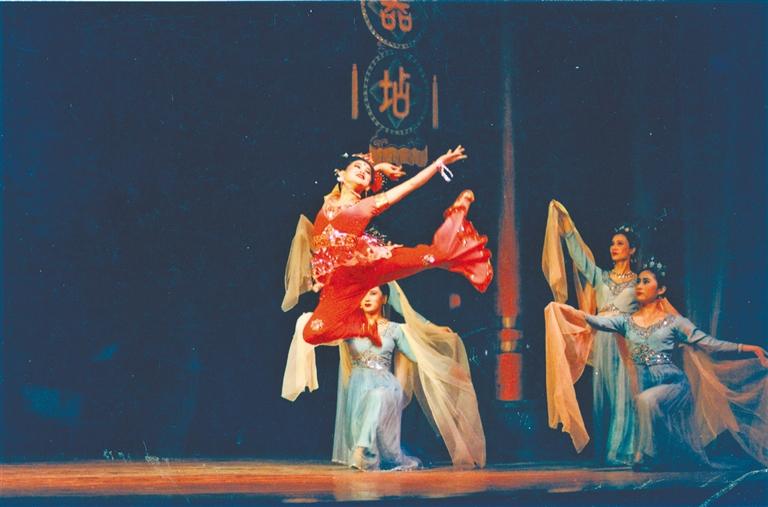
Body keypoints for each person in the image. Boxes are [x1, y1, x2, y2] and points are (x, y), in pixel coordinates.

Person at [546, 257, 768, 470]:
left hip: (674, 385)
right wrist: (566, 310)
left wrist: (749, 348)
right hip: (647, 386)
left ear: (660, 290)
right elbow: (596, 321)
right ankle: (660, 456)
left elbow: (710, 343)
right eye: (638, 282)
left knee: (646, 401)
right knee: (645, 402)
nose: (639, 286)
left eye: (646, 281)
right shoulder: (626, 321)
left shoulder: (674, 323)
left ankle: (648, 456)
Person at [282, 147, 493, 347]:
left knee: (431, 256)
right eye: (357, 167)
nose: (363, 171)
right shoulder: (329, 201)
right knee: (311, 333)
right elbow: (355, 178)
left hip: (366, 266)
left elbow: (410, 185)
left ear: (368, 185)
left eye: (367, 173)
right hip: (337, 285)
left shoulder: (367, 206)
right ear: (340, 174)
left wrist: (437, 164)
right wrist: (378, 168)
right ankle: (365, 327)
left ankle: (458, 219)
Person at [282, 282, 486, 470]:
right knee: (386, 451)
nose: (367, 298)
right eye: (363, 294)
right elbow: (319, 333)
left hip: (387, 389)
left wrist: (446, 368)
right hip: (358, 390)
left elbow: (417, 356)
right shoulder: (349, 328)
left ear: (385, 299)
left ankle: (363, 450)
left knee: (378, 396)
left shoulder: (395, 330)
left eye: (373, 293)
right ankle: (368, 451)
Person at [542, 199, 640, 464]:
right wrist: (567, 227)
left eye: (620, 244)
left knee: (625, 395)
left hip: (625, 341)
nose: (614, 248)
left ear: (631, 250)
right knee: (605, 397)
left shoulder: (639, 282)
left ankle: (623, 451)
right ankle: (607, 451)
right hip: (602, 342)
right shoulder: (600, 277)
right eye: (612, 244)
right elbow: (580, 258)